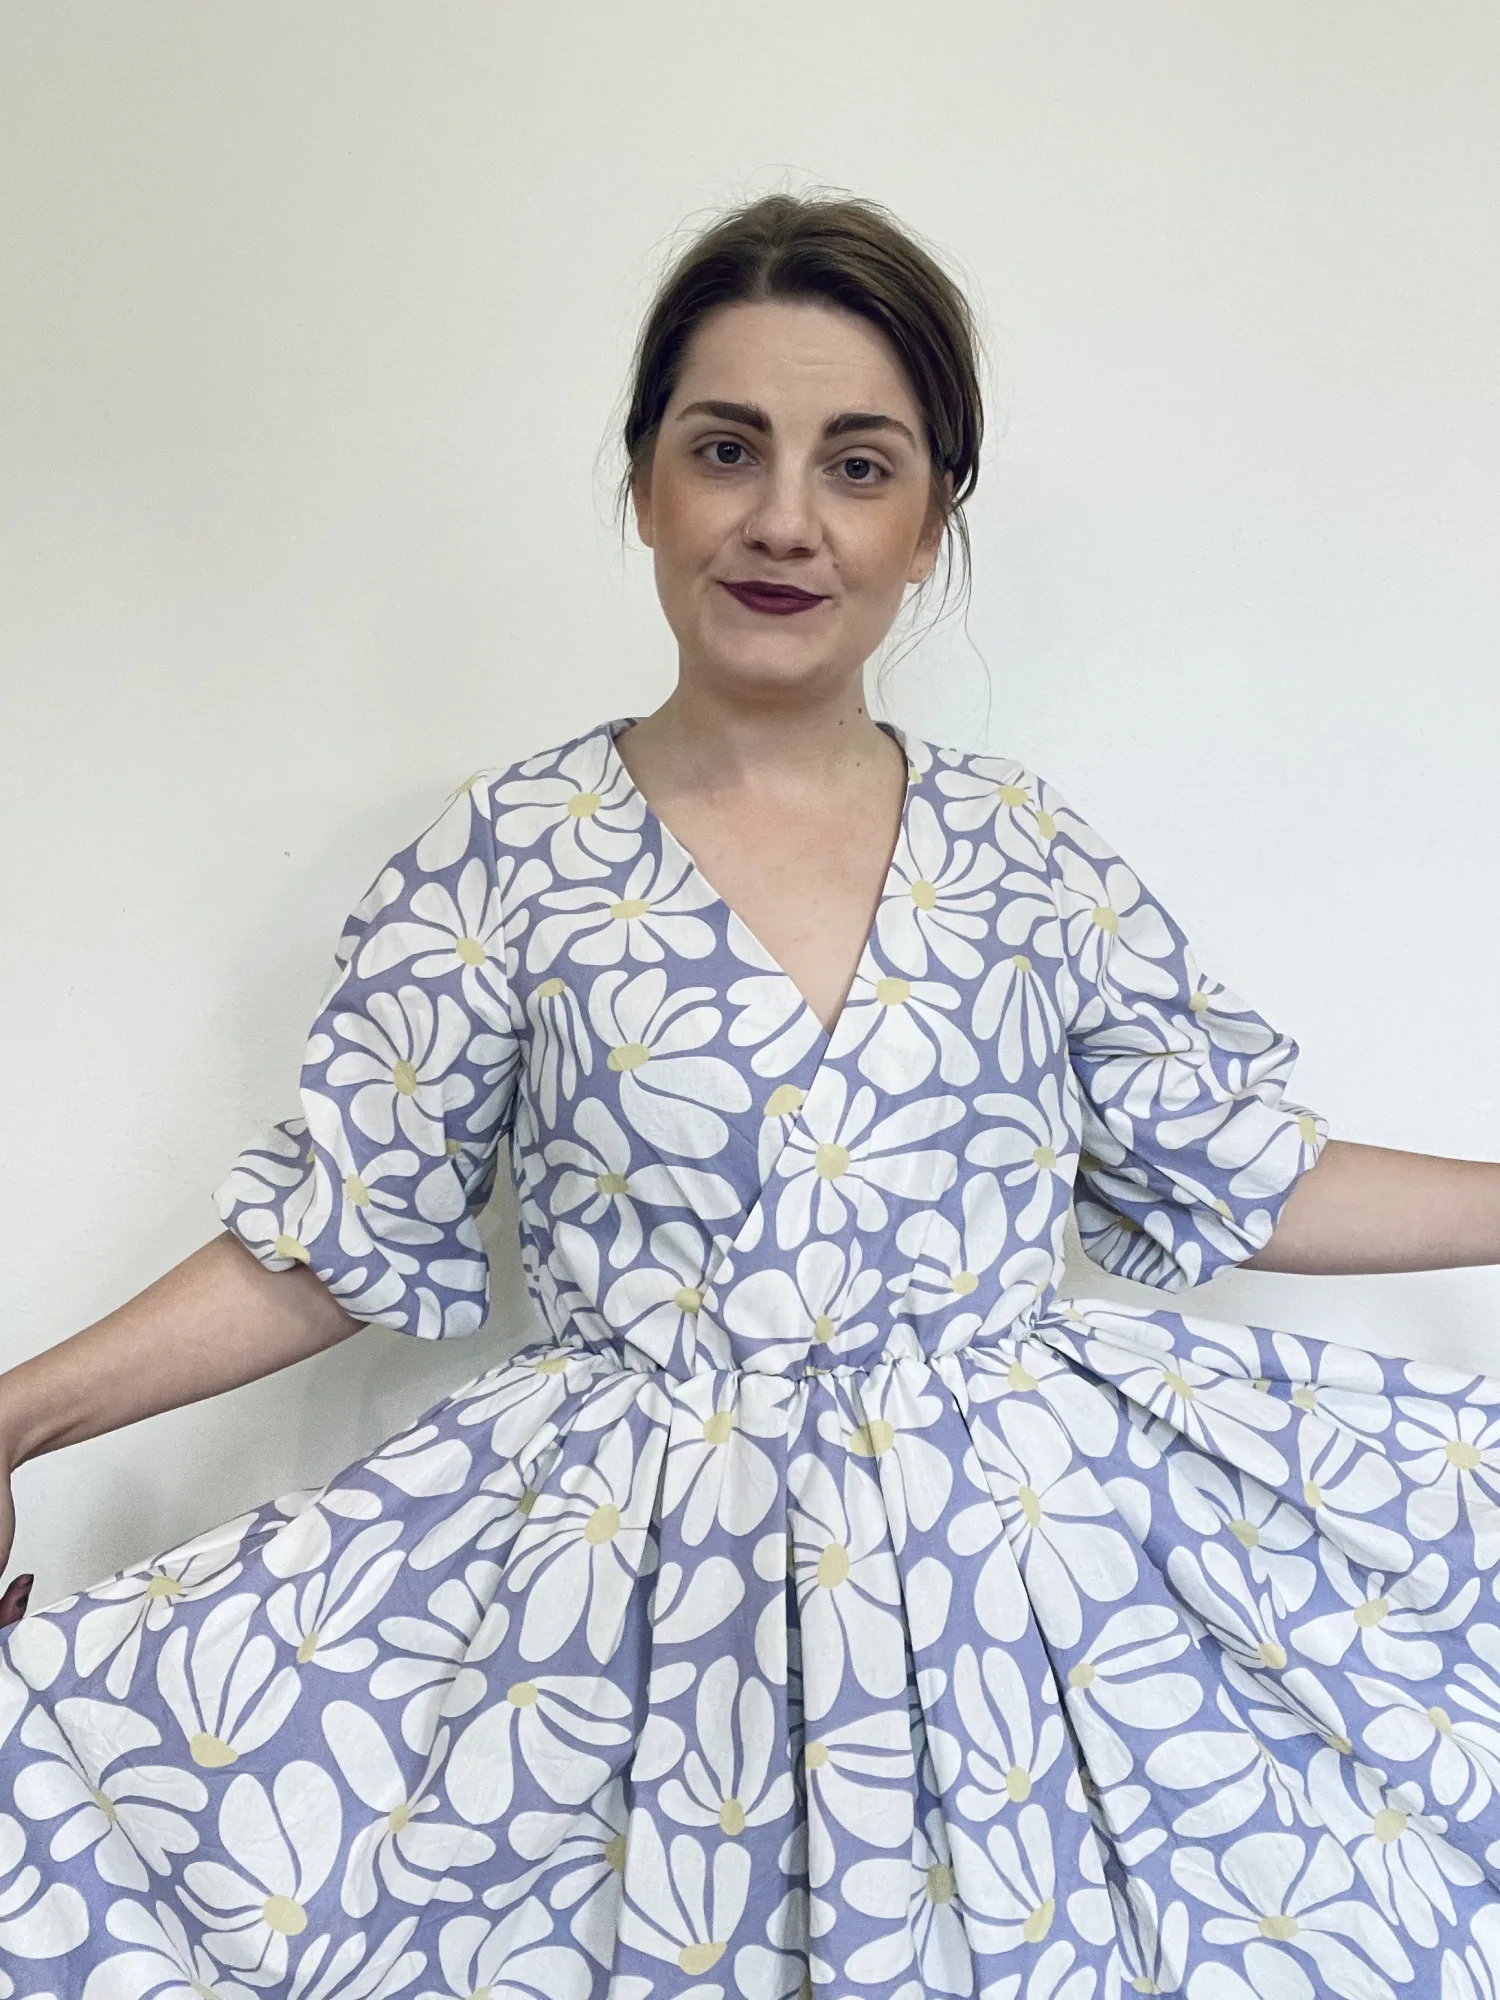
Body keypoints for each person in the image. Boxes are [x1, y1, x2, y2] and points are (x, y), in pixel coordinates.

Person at [2, 191, 1498, 2000]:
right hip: (632, 1628)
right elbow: (333, 1238)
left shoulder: (1028, 855)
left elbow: (1246, 1173)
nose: (786, 519)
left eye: (858, 465)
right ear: (643, 482)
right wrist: (15, 1420)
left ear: (930, 520)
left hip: (1016, 1609)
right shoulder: (508, 859)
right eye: (728, 448)